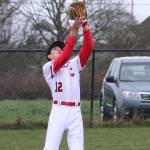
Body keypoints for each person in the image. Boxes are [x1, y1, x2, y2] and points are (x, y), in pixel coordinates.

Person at [42, 18, 94, 150]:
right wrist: (72, 34)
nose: (59, 49)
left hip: (75, 111)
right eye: (55, 48)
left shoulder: (74, 64)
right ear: (49, 56)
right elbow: (64, 57)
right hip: (58, 111)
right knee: (50, 148)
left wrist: (85, 25)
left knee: (77, 148)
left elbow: (88, 48)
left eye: (61, 48)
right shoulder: (48, 67)